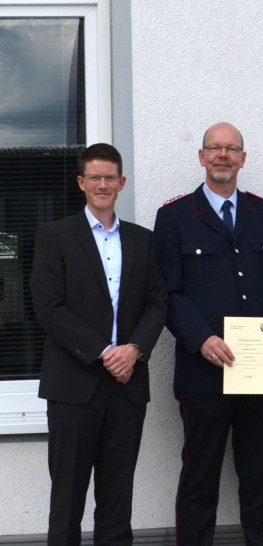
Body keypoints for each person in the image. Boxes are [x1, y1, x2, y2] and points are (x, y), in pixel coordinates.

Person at [153, 122, 263, 546]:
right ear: (201, 157)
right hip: (204, 374)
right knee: (200, 478)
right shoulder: (175, 217)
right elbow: (169, 293)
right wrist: (201, 339)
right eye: (215, 148)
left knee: (258, 477)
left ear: (243, 159)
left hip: (258, 371)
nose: (223, 155)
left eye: (232, 149)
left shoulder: (262, 213)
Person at [30, 143, 168, 545]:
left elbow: (158, 302)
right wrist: (105, 351)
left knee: (117, 498)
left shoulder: (143, 240)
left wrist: (134, 349)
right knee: (67, 499)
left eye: (110, 177)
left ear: (122, 182)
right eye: (95, 177)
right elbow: (49, 307)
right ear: (81, 183)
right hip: (74, 387)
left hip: (126, 389)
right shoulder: (54, 236)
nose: (103, 184)